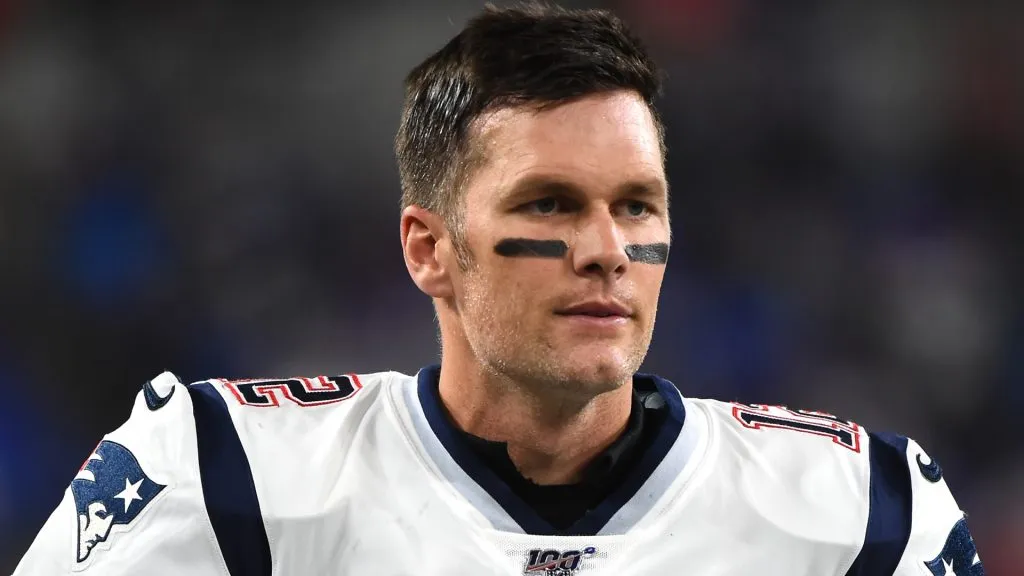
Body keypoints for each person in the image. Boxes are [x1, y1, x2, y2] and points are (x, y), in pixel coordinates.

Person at [15, 4, 984, 575]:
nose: (606, 250)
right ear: (428, 250)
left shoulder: (858, 513)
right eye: (550, 204)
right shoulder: (226, 477)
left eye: (636, 205)